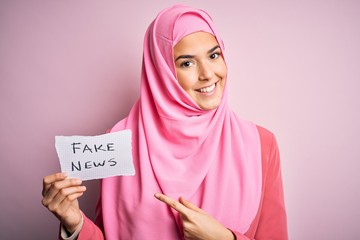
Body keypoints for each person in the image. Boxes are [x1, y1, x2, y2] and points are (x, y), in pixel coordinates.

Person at [42, 4, 288, 240]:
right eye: (187, 63)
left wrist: (224, 238)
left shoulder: (261, 144)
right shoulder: (118, 143)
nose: (208, 73)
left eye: (214, 55)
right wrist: (75, 225)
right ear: (162, 71)